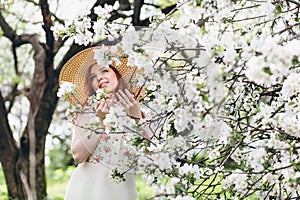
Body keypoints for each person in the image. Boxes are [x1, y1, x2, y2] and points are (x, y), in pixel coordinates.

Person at [58, 46, 151, 200]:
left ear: (117, 74)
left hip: (123, 193)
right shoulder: (86, 112)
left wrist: (137, 120)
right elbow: (78, 155)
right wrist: (100, 121)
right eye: (93, 77)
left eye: (104, 70)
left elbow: (154, 155)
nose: (99, 78)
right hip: (86, 191)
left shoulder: (141, 113)